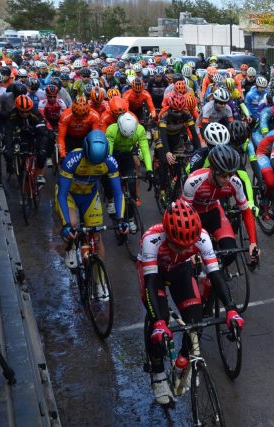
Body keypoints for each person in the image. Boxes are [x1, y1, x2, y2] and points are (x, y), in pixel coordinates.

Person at [139, 200, 244, 406]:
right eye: (177, 244)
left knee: (195, 320)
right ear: (167, 235)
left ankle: (182, 361)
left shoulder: (202, 237)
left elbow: (215, 274)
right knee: (158, 321)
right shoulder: (151, 238)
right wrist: (159, 322)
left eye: (187, 245)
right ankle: (158, 373)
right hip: (156, 273)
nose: (181, 249)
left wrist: (231, 308)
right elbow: (150, 284)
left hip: (180, 271)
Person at [180, 144, 260, 266]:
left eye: (231, 173)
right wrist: (188, 249)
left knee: (231, 253)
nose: (228, 179)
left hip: (214, 212)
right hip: (193, 216)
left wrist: (253, 243)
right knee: (193, 260)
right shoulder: (194, 181)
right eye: (223, 175)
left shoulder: (235, 182)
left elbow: (246, 211)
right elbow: (183, 215)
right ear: (212, 170)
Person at [56, 130, 127, 265]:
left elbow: (118, 192)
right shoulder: (72, 159)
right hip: (69, 195)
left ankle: (101, 283)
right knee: (73, 223)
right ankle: (70, 247)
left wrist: (121, 219)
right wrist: (66, 225)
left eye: (97, 163)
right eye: (90, 161)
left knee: (96, 235)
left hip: (90, 196)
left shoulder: (110, 162)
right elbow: (62, 194)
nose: (93, 166)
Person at [3, 95, 48, 184]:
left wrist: (42, 149)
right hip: (18, 132)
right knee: (7, 151)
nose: (25, 114)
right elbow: (8, 133)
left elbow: (43, 132)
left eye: (27, 111)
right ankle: (10, 166)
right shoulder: (12, 114)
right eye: (22, 112)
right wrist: (8, 149)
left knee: (43, 150)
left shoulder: (35, 113)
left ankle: (39, 174)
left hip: (32, 132)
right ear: (17, 109)